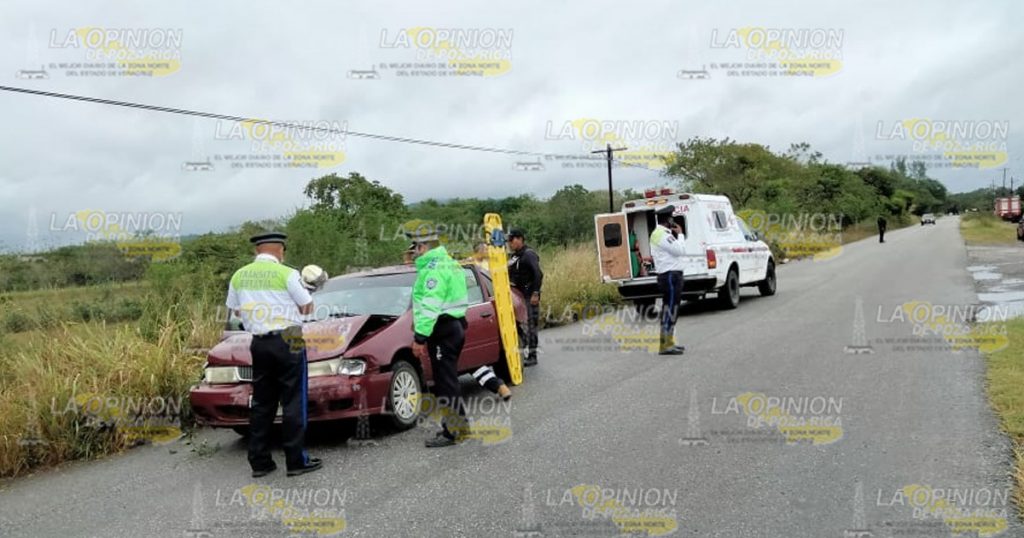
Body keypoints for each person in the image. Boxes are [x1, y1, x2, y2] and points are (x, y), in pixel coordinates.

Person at [225, 231, 322, 477]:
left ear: (257, 251)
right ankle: (296, 460)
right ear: (280, 250)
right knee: (293, 400)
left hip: (258, 343)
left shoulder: (239, 275)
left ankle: (260, 462)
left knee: (261, 403)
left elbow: (236, 312)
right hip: (288, 340)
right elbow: (306, 306)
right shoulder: (288, 273)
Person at [407, 225, 474, 447]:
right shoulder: (449, 262)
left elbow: (430, 306)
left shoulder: (433, 270)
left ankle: (454, 431)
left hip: (442, 329)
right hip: (454, 326)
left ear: (424, 246)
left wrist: (419, 337)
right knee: (449, 380)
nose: (414, 252)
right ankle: (457, 426)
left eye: (415, 247)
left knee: (445, 383)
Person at [650, 206, 686, 355]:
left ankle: (669, 342)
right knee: (670, 309)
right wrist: (681, 235)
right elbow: (680, 251)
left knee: (672, 309)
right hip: (670, 276)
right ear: (668, 219)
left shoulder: (659, 233)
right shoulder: (663, 235)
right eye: (672, 218)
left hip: (669, 275)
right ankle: (665, 345)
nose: (673, 220)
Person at [507, 228, 543, 367]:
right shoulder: (515, 256)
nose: (510, 243)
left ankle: (532, 356)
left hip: (529, 295)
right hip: (518, 295)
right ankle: (524, 345)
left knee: (531, 324)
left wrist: (535, 293)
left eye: (512, 240)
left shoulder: (529, 254)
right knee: (518, 323)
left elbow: (538, 274)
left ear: (520, 239)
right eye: (509, 240)